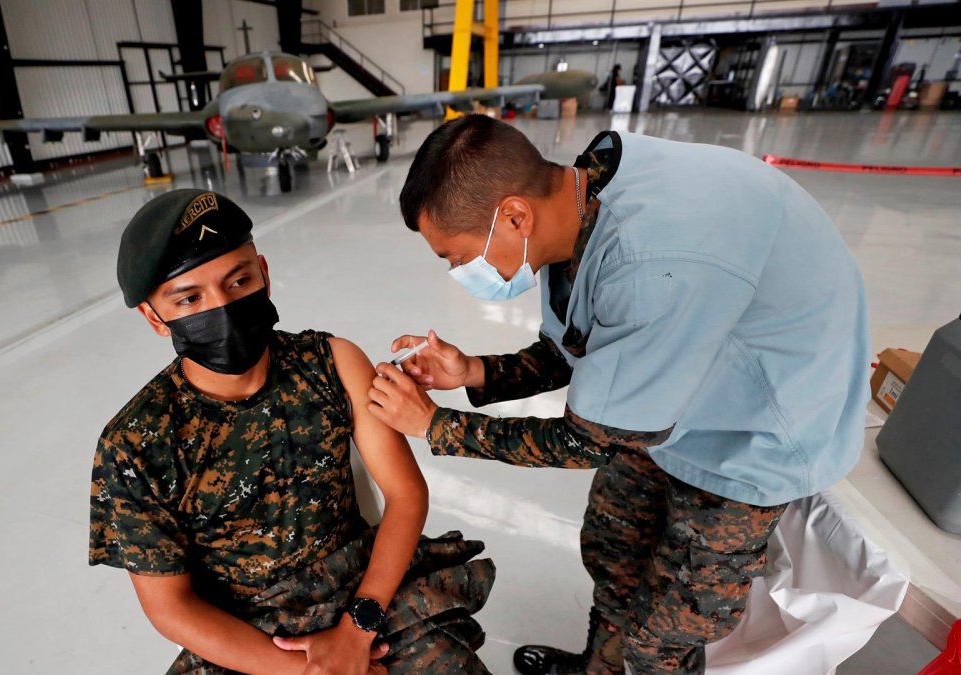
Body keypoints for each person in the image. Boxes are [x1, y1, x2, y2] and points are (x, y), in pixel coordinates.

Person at [367, 116, 869, 675]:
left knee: (665, 633)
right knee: (614, 546)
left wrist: (434, 425)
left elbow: (587, 440)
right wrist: (473, 371)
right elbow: (578, 346)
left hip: (755, 427)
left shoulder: (647, 265)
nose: (460, 272)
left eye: (458, 258)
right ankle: (599, 669)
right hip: (672, 386)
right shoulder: (583, 197)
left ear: (514, 216)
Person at [88, 189, 495, 675]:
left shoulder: (332, 363)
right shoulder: (136, 443)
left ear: (264, 273)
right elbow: (170, 607)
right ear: (154, 317)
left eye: (239, 280)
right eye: (190, 298)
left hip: (364, 592)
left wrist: (357, 628)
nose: (223, 306)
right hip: (248, 631)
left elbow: (406, 494)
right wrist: (310, 671)